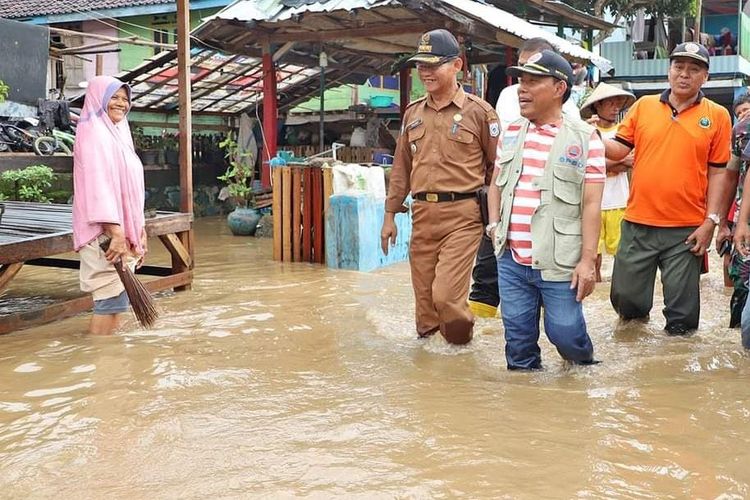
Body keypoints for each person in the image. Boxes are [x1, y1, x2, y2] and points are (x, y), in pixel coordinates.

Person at [487, 50, 605, 370]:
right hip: (512, 257)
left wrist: (587, 261)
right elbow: (496, 183)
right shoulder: (511, 131)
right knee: (518, 339)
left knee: (565, 333)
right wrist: (494, 225)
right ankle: (525, 407)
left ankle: (582, 370)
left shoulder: (585, 138)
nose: (522, 89)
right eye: (521, 81)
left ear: (559, 88)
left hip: (560, 259)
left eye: (533, 81)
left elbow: (592, 203)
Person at [381, 29, 499, 345]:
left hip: (463, 217)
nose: (426, 72)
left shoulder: (480, 112)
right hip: (422, 217)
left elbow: (497, 167)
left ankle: (462, 349)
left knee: (446, 298)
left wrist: (495, 218)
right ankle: (435, 378)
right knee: (425, 308)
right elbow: (401, 167)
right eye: (421, 66)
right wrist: (390, 215)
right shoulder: (412, 113)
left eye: (434, 65)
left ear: (457, 65)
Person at [605, 42, 732, 335]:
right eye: (678, 67)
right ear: (669, 71)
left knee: (683, 318)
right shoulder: (644, 106)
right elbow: (617, 149)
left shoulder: (717, 116)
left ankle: (676, 372)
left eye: (694, 69)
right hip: (638, 224)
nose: (684, 74)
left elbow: (719, 173)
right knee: (627, 305)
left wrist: (711, 221)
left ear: (706, 77)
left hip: (686, 230)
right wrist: (589, 138)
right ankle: (638, 364)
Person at [468, 37, 581, 319]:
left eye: (535, 72)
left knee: (553, 292)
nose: (525, 82)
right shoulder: (508, 96)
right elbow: (497, 143)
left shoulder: (571, 113)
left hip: (550, 208)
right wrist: (493, 218)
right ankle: (485, 335)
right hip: (509, 198)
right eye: (522, 69)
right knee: (485, 275)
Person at [72, 75, 147, 335]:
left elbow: (133, 187)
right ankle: (102, 361)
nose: (121, 104)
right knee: (109, 298)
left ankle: (113, 361)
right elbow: (98, 185)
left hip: (120, 230)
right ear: (98, 99)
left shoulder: (119, 136)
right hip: (103, 231)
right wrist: (115, 232)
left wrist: (139, 228)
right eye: (114, 97)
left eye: (125, 99)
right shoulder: (93, 134)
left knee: (118, 300)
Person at [579, 83, 636, 281]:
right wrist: (618, 161)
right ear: (598, 106)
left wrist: (608, 163)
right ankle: (596, 286)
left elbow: (629, 163)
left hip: (619, 200)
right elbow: (585, 162)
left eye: (617, 104)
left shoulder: (623, 132)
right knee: (593, 254)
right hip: (593, 201)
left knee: (623, 253)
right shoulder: (587, 131)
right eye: (610, 104)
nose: (615, 108)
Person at [718, 93, 750, 326]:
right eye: (739, 112)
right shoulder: (741, 132)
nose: (743, 115)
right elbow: (732, 176)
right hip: (744, 221)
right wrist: (723, 223)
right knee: (741, 285)